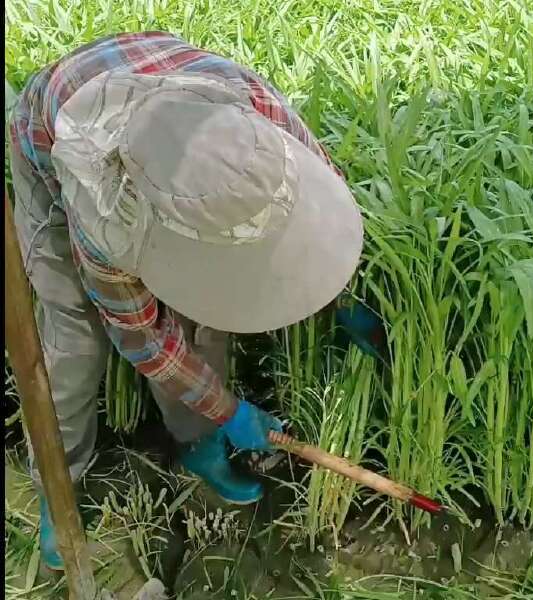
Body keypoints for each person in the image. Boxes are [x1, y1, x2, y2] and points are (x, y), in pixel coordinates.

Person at [7, 31, 384, 571]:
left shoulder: (255, 109)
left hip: (150, 75)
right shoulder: (106, 220)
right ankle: (57, 482)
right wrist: (230, 411)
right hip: (53, 135)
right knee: (76, 339)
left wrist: (339, 293)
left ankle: (197, 442)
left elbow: (322, 200)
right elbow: (144, 340)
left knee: (213, 309)